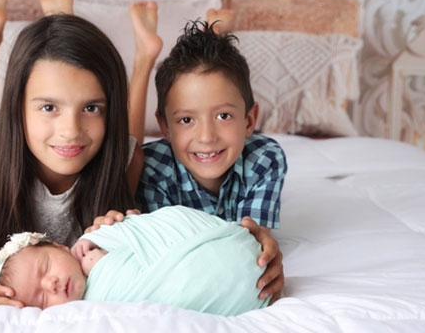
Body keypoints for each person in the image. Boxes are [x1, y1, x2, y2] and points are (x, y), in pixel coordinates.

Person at [0, 0, 163, 307]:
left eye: (91, 107)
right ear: (18, 108)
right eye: (49, 107)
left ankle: (141, 59)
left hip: (116, 147)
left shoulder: (126, 157)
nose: (70, 131)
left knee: (127, 147)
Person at [89, 19, 287, 303]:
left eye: (223, 116)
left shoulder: (265, 159)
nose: (206, 137)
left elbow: (252, 246)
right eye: (186, 120)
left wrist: (261, 246)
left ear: (250, 119)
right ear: (165, 127)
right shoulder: (154, 169)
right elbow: (167, 250)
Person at [0, 205, 270, 316]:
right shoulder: (91, 309)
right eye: (41, 300)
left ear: (60, 247)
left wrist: (103, 244)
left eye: (46, 268)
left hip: (227, 244)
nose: (51, 284)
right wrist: (103, 268)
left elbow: (151, 226)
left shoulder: (98, 237)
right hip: (231, 284)